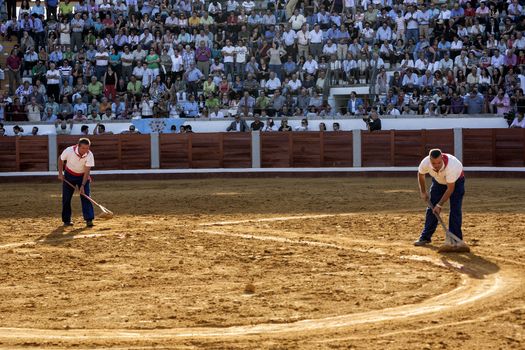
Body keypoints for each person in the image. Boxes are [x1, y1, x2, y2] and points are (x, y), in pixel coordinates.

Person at [415, 149, 467, 250]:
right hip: (439, 182)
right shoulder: (425, 163)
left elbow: (450, 189)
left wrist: (439, 205)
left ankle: (455, 239)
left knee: (455, 209)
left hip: (456, 183)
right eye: (433, 163)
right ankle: (425, 237)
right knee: (431, 209)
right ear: (430, 160)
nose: (436, 165)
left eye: (439, 162)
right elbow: (420, 174)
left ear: (442, 158)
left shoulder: (452, 166)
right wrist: (423, 191)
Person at [57, 138, 95, 227]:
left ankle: (89, 219)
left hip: (83, 176)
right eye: (83, 148)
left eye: (87, 148)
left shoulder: (89, 155)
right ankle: (66, 220)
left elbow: (87, 172)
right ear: (78, 146)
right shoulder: (69, 150)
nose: (85, 150)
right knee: (66, 198)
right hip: (69, 175)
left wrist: (82, 185)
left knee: (86, 197)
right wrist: (60, 173)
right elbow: (60, 159)